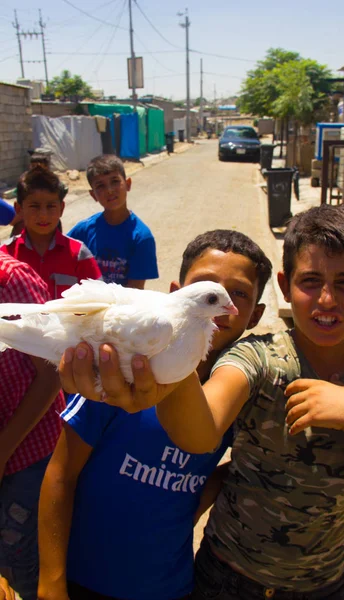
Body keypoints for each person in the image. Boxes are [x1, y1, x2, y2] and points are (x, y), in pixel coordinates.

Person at [60, 205, 344, 599]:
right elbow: (200, 434)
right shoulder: (257, 358)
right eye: (311, 281)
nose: (327, 299)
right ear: (286, 286)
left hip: (321, 585)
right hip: (226, 579)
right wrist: (170, 371)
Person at [37, 230, 271, 600]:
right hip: (85, 577)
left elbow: (223, 471)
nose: (225, 304)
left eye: (239, 294)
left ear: (253, 314)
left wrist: (183, 515)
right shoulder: (124, 371)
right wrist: (51, 579)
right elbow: (61, 473)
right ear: (176, 292)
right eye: (206, 288)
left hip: (169, 583)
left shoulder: (235, 390)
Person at [0, 252, 64, 600]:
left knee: (17, 566)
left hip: (30, 453)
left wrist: (3, 451)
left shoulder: (12, 281)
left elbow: (52, 372)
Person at [0, 165, 102, 299]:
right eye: (34, 206)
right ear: (19, 209)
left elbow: (100, 301)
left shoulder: (79, 255)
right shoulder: (6, 256)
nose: (43, 215)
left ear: (62, 208)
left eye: (50, 206)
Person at [67, 155, 158, 289]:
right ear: (93, 195)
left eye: (115, 181)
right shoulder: (83, 231)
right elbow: (58, 253)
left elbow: (135, 291)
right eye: (101, 186)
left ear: (128, 184)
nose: (109, 190)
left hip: (122, 308)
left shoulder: (141, 237)